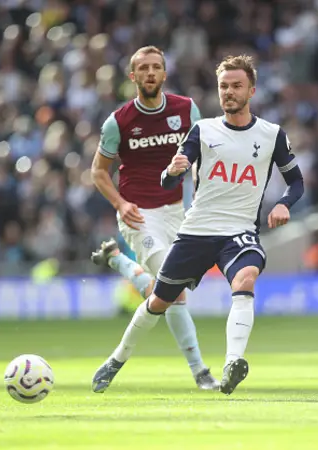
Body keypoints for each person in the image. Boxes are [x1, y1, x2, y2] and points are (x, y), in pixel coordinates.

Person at [91, 54, 304, 395]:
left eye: (236, 86)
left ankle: (232, 363)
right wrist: (173, 170)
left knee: (245, 277)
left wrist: (282, 204)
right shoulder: (203, 130)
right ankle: (116, 359)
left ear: (252, 89)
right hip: (196, 230)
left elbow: (297, 184)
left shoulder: (271, 135)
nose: (229, 92)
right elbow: (166, 179)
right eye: (223, 87)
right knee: (160, 300)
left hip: (239, 232)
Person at [89, 46, 218, 390]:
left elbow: (204, 153)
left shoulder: (186, 109)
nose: (149, 73)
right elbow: (99, 172)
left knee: (162, 291)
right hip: (138, 213)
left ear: (164, 74)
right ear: (133, 77)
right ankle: (198, 371)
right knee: (173, 290)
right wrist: (119, 204)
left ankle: (118, 262)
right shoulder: (118, 122)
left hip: (178, 212)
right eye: (142, 68)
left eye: (155, 67)